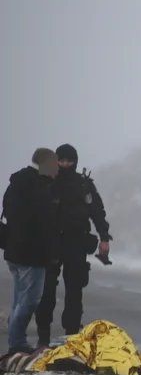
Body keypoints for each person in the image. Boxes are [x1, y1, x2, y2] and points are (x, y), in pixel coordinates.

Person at [34, 144, 111, 347]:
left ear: (75, 162)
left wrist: (104, 237)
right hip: (51, 243)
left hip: (76, 243)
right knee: (47, 292)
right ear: (56, 161)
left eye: (69, 161)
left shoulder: (84, 184)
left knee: (75, 292)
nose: (66, 164)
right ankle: (43, 338)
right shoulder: (48, 182)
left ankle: (71, 337)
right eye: (62, 161)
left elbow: (97, 212)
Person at [3, 148, 59, 355]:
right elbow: (44, 223)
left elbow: (8, 212)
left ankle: (15, 341)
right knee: (29, 300)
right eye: (54, 165)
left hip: (14, 250)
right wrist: (50, 251)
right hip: (31, 253)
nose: (57, 170)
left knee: (19, 300)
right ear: (45, 164)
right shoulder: (38, 187)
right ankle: (17, 344)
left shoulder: (16, 182)